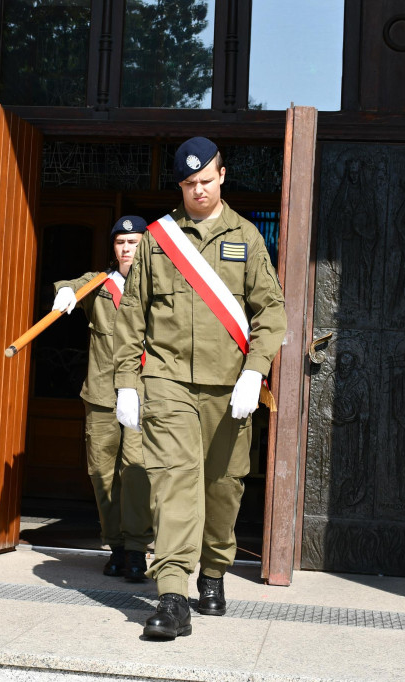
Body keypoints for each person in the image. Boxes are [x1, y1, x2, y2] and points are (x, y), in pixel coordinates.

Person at [112, 137, 286, 639]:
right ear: (179, 185)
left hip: (229, 386)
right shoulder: (156, 239)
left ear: (223, 176)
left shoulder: (247, 238)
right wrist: (128, 382)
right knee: (175, 481)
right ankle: (171, 594)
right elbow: (132, 317)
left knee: (222, 485)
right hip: (167, 382)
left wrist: (255, 370)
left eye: (206, 181)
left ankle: (213, 570)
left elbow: (270, 312)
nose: (199, 191)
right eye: (189, 184)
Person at [51, 216, 154, 582]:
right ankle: (117, 547)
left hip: (143, 396)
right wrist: (64, 291)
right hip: (101, 397)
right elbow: (73, 285)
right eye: (120, 242)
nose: (127, 249)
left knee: (137, 472)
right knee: (103, 473)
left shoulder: (159, 286)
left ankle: (139, 549)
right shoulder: (100, 284)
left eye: (134, 242)